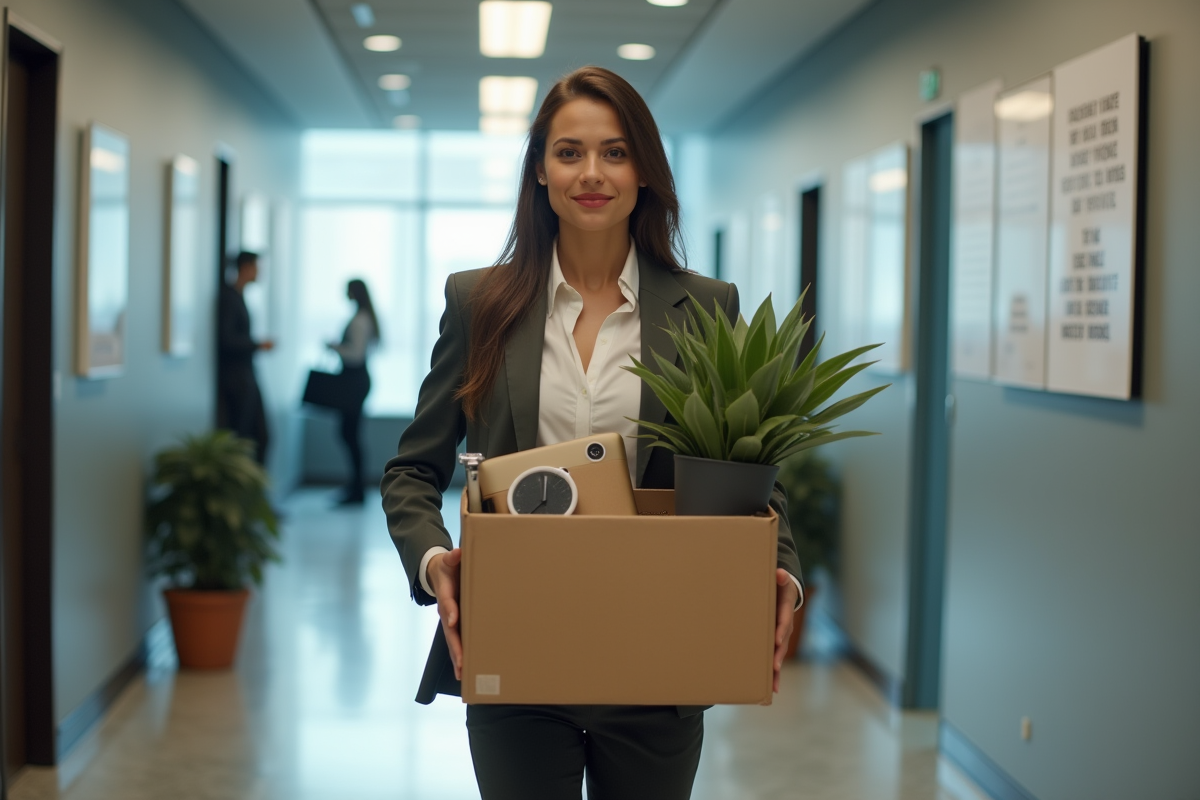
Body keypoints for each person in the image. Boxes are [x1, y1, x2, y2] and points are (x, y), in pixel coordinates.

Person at [380, 66, 803, 800]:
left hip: (660, 650)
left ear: (645, 169)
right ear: (539, 170)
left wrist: (783, 575)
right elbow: (412, 470)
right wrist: (432, 560)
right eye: (569, 152)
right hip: (516, 640)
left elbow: (756, 466)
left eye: (614, 151)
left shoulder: (706, 307)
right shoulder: (481, 302)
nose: (591, 173)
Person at [218, 251, 274, 464]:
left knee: (261, 436)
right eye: (257, 267)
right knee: (247, 436)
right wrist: (257, 344)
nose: (259, 272)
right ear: (246, 268)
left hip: (247, 374)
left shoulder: (238, 296)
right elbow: (227, 338)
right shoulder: (230, 297)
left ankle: (254, 492)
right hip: (237, 378)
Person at [327, 278, 380, 505]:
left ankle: (357, 489)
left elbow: (355, 355)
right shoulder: (365, 318)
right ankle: (355, 487)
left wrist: (335, 348)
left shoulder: (359, 321)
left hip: (354, 380)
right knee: (351, 433)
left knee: (350, 434)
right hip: (357, 380)